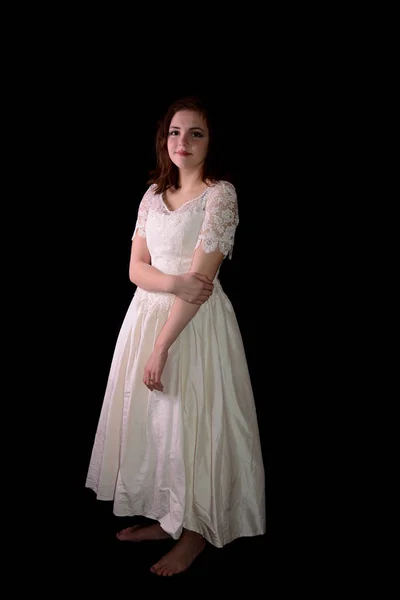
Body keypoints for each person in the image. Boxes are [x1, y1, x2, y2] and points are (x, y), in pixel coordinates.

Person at [85, 96, 266, 576]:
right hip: (144, 315)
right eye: (175, 133)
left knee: (193, 422)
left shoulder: (219, 194)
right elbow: (134, 269)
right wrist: (172, 281)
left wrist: (162, 346)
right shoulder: (151, 196)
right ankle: (169, 519)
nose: (182, 142)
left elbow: (201, 284)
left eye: (195, 133)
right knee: (157, 424)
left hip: (193, 324)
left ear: (211, 143)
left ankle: (195, 533)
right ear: (164, 140)